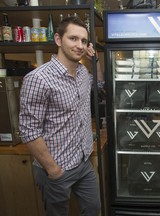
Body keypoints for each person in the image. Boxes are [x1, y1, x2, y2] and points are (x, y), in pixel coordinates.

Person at [19, 16, 101, 216]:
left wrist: (94, 61)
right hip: (56, 167)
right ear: (58, 39)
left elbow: (98, 85)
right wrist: (53, 170)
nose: (79, 45)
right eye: (73, 38)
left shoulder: (82, 73)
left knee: (93, 208)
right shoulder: (38, 78)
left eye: (83, 41)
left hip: (83, 161)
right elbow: (29, 130)